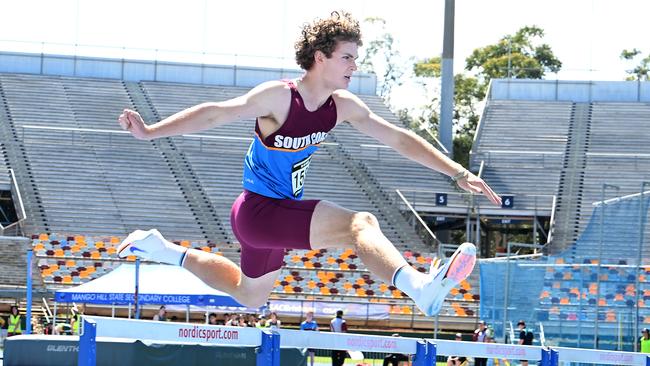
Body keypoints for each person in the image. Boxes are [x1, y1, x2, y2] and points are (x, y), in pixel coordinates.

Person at [116, 10, 501, 317]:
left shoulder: (343, 107)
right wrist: (150, 132)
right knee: (360, 224)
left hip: (268, 217)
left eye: (355, 58)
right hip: (260, 211)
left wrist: (458, 171)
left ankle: (165, 250)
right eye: (347, 57)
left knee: (249, 297)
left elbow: (398, 139)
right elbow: (216, 113)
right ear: (320, 58)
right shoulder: (280, 98)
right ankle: (418, 286)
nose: (354, 65)